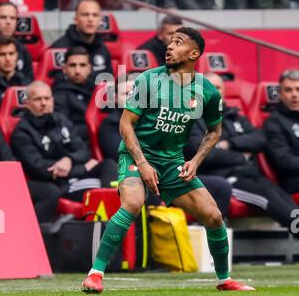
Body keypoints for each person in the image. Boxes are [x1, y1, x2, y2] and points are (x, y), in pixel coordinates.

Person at [82, 26, 255, 293]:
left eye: (178, 42)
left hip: (172, 162)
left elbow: (214, 131)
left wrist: (195, 161)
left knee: (213, 216)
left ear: (194, 53)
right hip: (136, 154)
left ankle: (224, 279)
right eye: (169, 41)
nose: (170, 46)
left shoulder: (207, 91)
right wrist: (141, 164)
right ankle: (95, 274)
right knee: (133, 203)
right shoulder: (149, 80)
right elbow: (126, 125)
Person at [99, 75, 232, 217]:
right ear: (114, 98)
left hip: (169, 173)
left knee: (221, 186)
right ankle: (153, 235)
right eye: (127, 94)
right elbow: (121, 154)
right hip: (139, 176)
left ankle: (201, 234)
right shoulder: (111, 124)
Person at [184, 72, 299, 232]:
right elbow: (203, 155)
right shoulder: (190, 119)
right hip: (223, 178)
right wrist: (241, 156)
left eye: (218, 88)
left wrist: (229, 144)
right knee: (265, 195)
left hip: (249, 174)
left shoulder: (233, 115)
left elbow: (259, 138)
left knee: (277, 192)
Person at [11, 80, 118, 223]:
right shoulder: (22, 132)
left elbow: (83, 151)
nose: (44, 103)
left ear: (52, 100)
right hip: (58, 184)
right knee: (106, 187)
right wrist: (83, 167)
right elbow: (41, 169)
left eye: (47, 98)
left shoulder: (61, 120)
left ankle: (110, 212)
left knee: (109, 164)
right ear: (27, 103)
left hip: (74, 177)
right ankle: (108, 219)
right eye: (38, 99)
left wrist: (69, 159)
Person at [51, 0, 113, 78]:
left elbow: (109, 81)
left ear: (100, 20)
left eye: (95, 15)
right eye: (85, 15)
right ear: (75, 19)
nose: (90, 19)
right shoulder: (59, 48)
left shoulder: (102, 48)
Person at [264, 70, 299, 195]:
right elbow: (284, 161)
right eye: (288, 90)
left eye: (298, 89)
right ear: (280, 94)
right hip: (293, 181)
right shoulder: (273, 122)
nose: (294, 94)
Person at [53, 46, 95, 141]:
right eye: (72, 65)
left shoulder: (98, 90)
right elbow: (65, 130)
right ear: (64, 68)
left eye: (82, 65)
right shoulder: (59, 95)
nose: (77, 71)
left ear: (89, 68)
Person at [0, 1, 33, 80]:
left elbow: (29, 82)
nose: (8, 22)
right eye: (3, 17)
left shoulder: (22, 49)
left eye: (12, 18)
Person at [0, 36, 31, 103]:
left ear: (16, 56)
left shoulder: (27, 83)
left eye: (11, 54)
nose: (7, 59)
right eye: (2, 54)